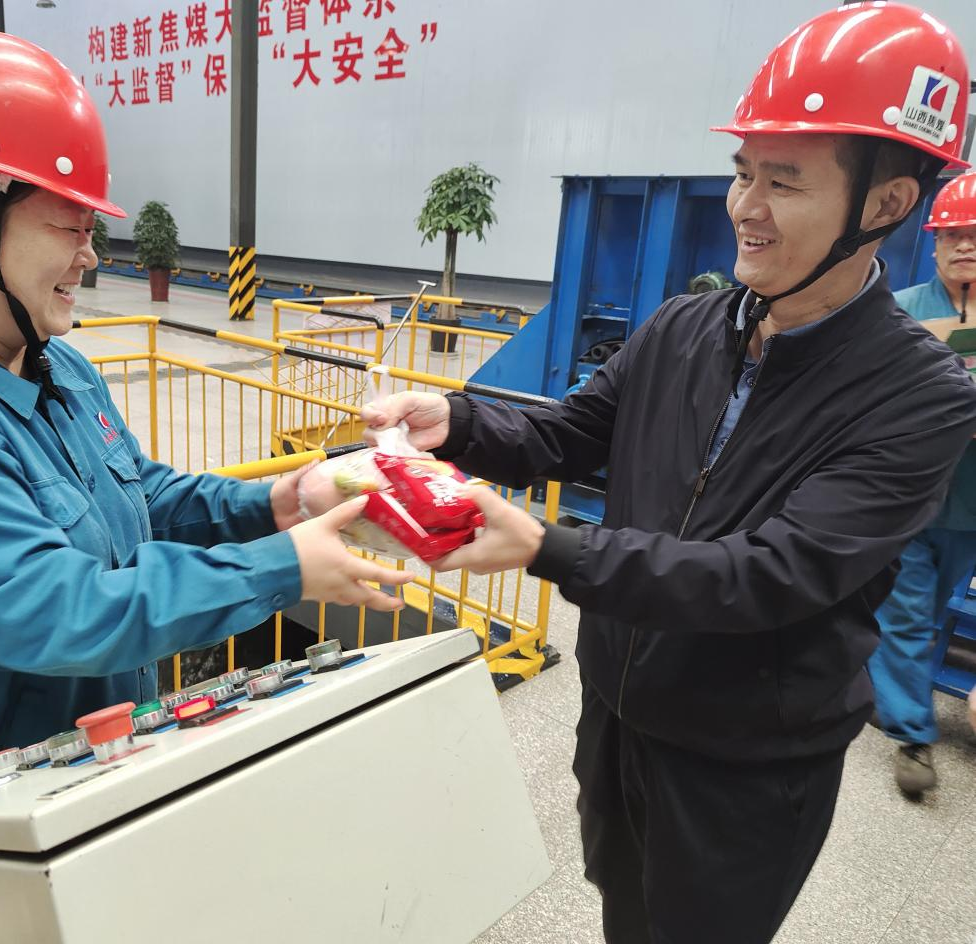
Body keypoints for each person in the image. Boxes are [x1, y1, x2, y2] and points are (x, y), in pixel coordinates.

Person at [365, 6, 975, 943]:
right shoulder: (682, 327)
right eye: (742, 171)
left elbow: (772, 573)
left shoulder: (918, 395)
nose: (744, 206)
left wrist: (547, 548)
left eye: (783, 181)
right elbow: (569, 435)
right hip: (616, 711)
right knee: (624, 911)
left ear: (885, 205)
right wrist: (460, 422)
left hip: (744, 762)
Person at [0, 31, 410, 944]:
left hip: (84, 807)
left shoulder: (55, 365)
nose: (90, 256)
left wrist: (277, 504)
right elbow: (55, 609)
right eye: (70, 227)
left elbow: (140, 497)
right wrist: (280, 568)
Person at [867, 172, 976, 797]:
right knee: (906, 612)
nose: (963, 245)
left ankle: (883, 684)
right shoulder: (900, 309)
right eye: (951, 234)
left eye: (975, 235)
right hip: (907, 499)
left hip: (972, 506)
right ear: (934, 244)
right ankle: (912, 735)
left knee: (927, 613)